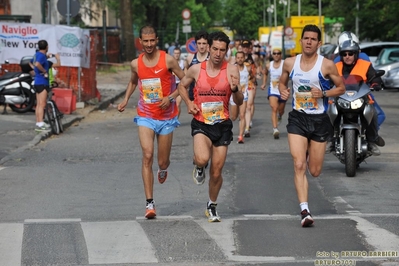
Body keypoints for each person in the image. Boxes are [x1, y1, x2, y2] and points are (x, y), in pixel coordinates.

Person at [278, 24, 346, 227]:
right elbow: (282, 82)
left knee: (314, 171)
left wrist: (324, 93)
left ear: (319, 43)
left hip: (319, 120)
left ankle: (308, 153)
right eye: (305, 38)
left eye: (312, 39)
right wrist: (283, 91)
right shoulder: (290, 63)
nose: (308, 42)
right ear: (301, 41)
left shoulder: (326, 65)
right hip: (298, 118)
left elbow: (341, 88)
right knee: (299, 164)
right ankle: (304, 211)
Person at [117, 25, 185, 219]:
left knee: (162, 161)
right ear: (140, 41)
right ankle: (149, 204)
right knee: (147, 155)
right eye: (145, 41)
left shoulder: (168, 60)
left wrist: (171, 97)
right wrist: (125, 99)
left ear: (156, 41)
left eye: (151, 41)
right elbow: (132, 81)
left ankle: (163, 169)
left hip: (166, 117)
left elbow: (184, 81)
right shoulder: (135, 64)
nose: (148, 44)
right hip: (145, 115)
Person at [178, 31, 243, 222]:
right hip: (201, 122)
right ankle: (199, 166)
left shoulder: (232, 70)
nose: (217, 53)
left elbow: (238, 101)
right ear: (208, 48)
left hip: (222, 124)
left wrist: (235, 89)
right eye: (214, 48)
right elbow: (182, 86)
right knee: (202, 158)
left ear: (226, 51)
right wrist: (190, 104)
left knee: (217, 170)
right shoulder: (197, 69)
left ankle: (212, 205)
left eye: (222, 50)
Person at [334, 34, 385, 155]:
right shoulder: (335, 66)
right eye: (344, 54)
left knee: (373, 114)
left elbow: (374, 77)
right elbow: (327, 79)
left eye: (350, 53)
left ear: (356, 54)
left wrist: (376, 84)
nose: (347, 57)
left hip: (361, 98)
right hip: (341, 98)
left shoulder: (365, 65)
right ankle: (331, 140)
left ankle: (371, 141)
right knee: (329, 112)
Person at [229, 51, 251, 143]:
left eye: (241, 57)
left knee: (242, 115)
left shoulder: (248, 68)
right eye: (238, 57)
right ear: (235, 58)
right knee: (233, 117)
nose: (240, 59)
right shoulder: (232, 68)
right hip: (234, 95)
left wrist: (252, 81)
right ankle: (230, 130)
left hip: (244, 94)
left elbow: (252, 77)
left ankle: (240, 136)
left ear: (244, 58)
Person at [264, 47, 286, 139]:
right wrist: (264, 83)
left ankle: (280, 116)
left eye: (278, 53)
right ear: (272, 55)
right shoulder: (269, 65)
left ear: (281, 55)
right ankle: (275, 129)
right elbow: (265, 73)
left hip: (283, 90)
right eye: (275, 53)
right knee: (274, 108)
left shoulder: (285, 64)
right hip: (273, 90)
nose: (276, 55)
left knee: (280, 110)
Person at [32, 40, 52, 132]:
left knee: (38, 104)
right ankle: (40, 123)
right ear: (47, 47)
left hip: (37, 81)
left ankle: (38, 122)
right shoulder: (42, 56)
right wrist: (44, 71)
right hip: (43, 82)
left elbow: (32, 62)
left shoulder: (37, 54)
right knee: (42, 104)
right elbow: (37, 64)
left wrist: (35, 71)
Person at [185, 30, 210, 101]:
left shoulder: (212, 58)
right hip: (193, 95)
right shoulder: (190, 58)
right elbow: (185, 72)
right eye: (199, 43)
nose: (201, 46)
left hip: (208, 95)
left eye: (204, 43)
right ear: (196, 44)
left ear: (208, 44)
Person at [241, 39, 257, 137]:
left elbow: (258, 67)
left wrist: (256, 73)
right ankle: (245, 118)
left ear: (250, 48)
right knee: (243, 106)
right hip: (242, 84)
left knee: (249, 105)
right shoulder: (238, 58)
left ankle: (247, 128)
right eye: (244, 47)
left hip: (251, 83)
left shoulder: (253, 57)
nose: (245, 49)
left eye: (247, 47)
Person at [172, 47, 185, 118]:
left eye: (178, 53)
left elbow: (186, 75)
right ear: (173, 54)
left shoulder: (183, 63)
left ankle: (176, 119)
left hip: (180, 84)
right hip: (172, 85)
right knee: (172, 104)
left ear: (180, 54)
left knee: (177, 103)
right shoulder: (171, 63)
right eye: (175, 53)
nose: (176, 55)